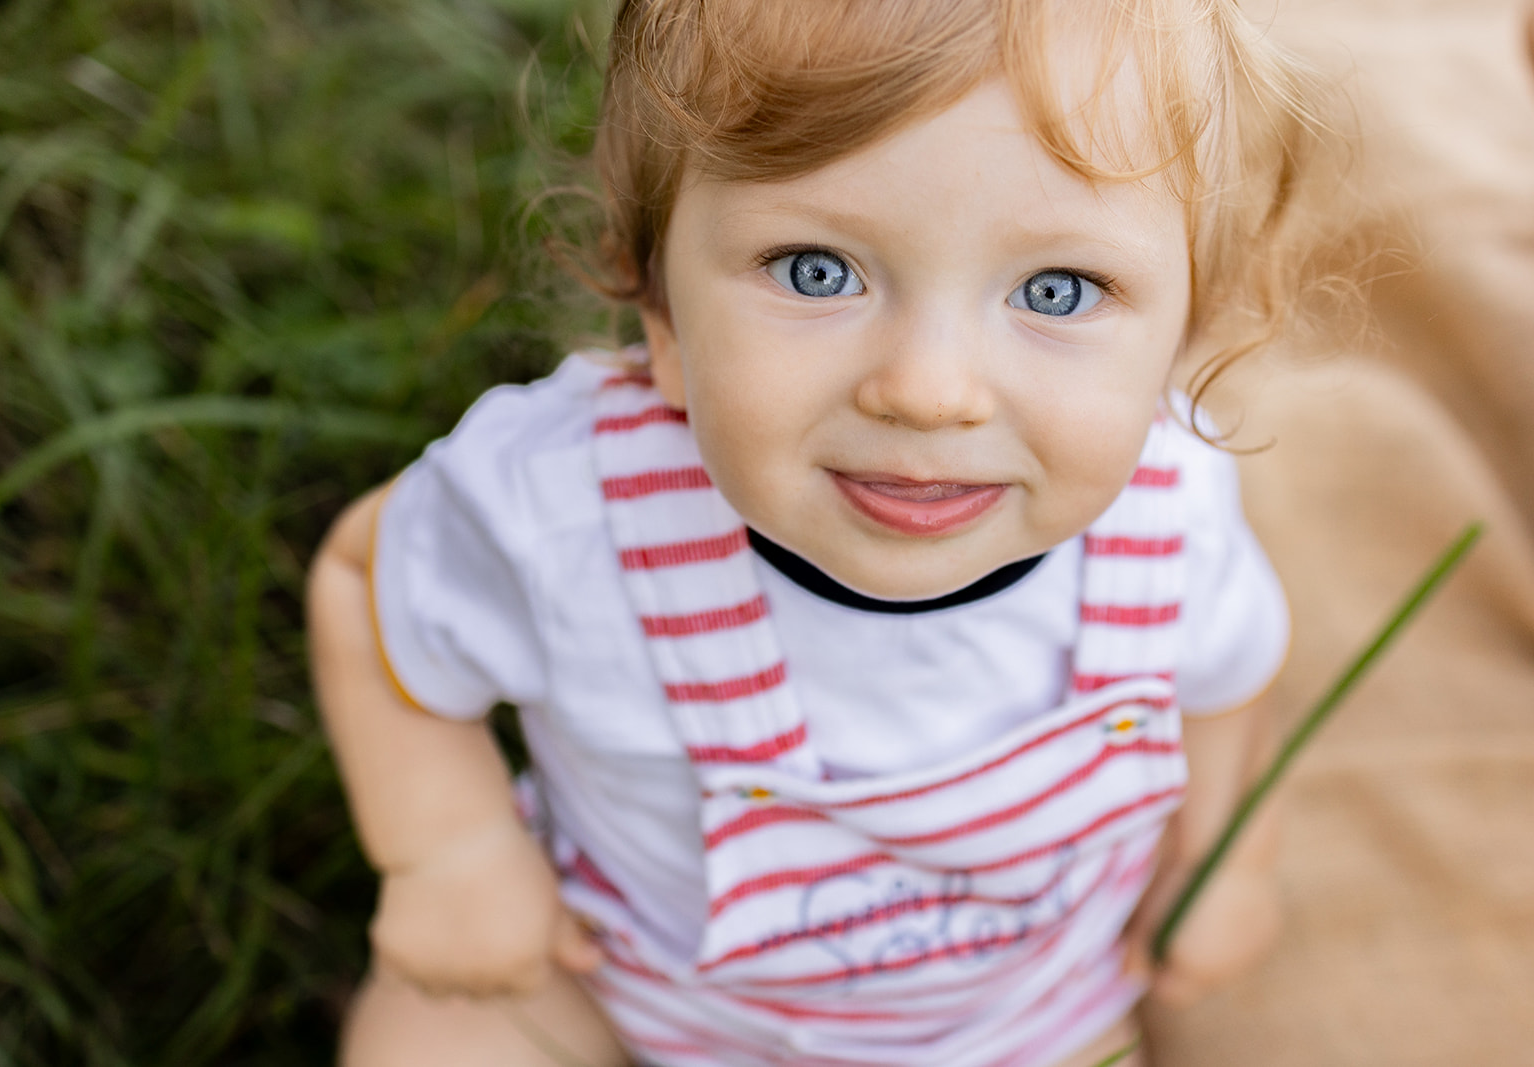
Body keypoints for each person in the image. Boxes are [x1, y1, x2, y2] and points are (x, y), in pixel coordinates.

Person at [308, 1, 1336, 1063]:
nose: (929, 392)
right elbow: (363, 575)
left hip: (1019, 1019)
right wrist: (449, 850)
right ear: (658, 313)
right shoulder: (562, 511)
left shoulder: (1171, 514)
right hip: (615, 979)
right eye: (816, 270)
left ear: (1181, 333)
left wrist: (1228, 856)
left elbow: (1223, 684)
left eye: (1057, 290)